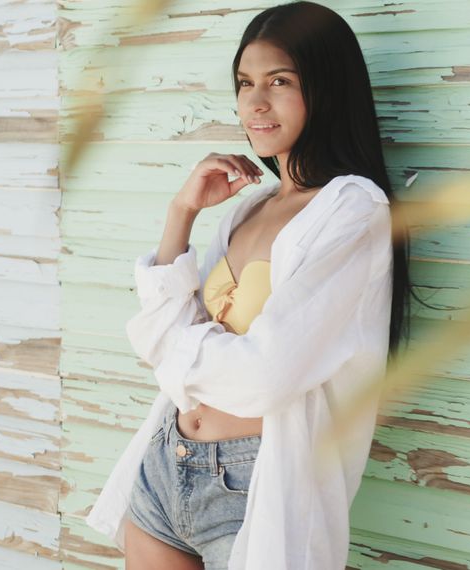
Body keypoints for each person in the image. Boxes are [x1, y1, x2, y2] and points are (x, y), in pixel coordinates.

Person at [85, 2, 415, 569]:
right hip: (166, 461)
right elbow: (166, 334)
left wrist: (170, 345)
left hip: (257, 482)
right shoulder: (251, 207)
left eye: (279, 81)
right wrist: (182, 212)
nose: (255, 103)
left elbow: (266, 375)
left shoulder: (354, 210)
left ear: (326, 89)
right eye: (244, 83)